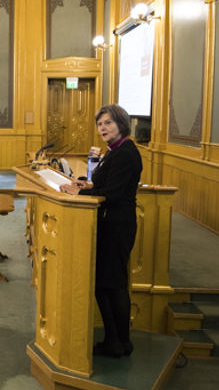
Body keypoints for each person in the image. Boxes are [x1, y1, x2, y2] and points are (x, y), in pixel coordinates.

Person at [59, 104, 142, 358]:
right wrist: (85, 184)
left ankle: (119, 343)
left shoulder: (126, 152)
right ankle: (116, 340)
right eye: (100, 124)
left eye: (108, 123)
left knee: (113, 284)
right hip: (111, 223)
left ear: (121, 123)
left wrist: (80, 191)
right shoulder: (115, 150)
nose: (103, 128)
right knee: (107, 283)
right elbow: (107, 183)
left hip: (117, 225)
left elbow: (114, 194)